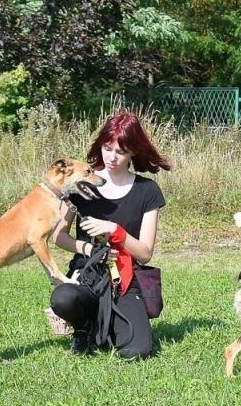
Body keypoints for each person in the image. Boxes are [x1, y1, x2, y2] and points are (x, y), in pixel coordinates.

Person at [50, 111, 171, 360]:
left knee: (136, 351)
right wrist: (89, 249)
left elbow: (145, 254)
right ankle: (83, 328)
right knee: (63, 298)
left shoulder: (147, 191)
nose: (112, 157)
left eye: (120, 151)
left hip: (125, 278)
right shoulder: (81, 182)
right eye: (107, 148)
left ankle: (105, 325)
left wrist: (116, 231)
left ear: (133, 152)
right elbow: (59, 236)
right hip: (87, 274)